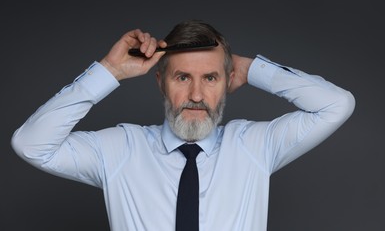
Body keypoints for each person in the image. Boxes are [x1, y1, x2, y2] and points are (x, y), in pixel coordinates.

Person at [11, 19, 355, 230]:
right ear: (160, 81)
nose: (196, 94)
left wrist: (251, 69)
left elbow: (336, 105)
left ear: (227, 80)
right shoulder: (118, 150)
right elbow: (31, 144)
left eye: (210, 77)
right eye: (182, 77)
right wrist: (109, 72)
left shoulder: (255, 146)